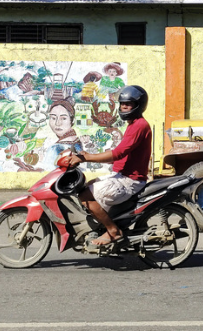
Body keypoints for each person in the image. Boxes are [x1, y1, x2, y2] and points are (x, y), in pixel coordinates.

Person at [59, 84, 152, 247]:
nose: (124, 107)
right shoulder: (133, 125)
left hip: (130, 180)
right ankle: (101, 225)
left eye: (128, 104)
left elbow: (119, 153)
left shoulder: (139, 126)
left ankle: (113, 231)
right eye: (122, 104)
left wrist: (86, 157)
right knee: (84, 187)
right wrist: (84, 155)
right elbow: (119, 155)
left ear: (138, 105)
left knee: (86, 196)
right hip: (121, 175)